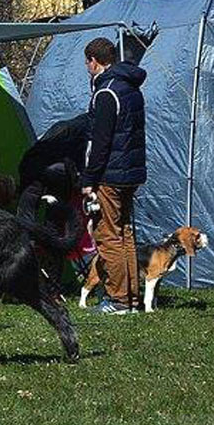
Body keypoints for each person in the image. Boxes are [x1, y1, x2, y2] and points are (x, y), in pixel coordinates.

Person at [81, 37, 147, 314]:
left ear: (94, 61)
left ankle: (118, 300)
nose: (87, 68)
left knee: (108, 235)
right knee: (125, 233)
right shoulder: (130, 88)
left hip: (110, 174)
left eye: (87, 63)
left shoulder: (107, 92)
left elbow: (100, 142)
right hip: (131, 172)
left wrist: (88, 180)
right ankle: (131, 298)